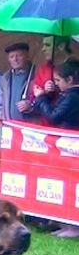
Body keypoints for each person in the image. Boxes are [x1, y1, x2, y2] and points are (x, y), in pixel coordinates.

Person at [33, 58, 79, 239]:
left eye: (59, 80)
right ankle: (66, 222)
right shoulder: (68, 95)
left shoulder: (72, 97)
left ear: (69, 79)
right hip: (67, 144)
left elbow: (54, 116)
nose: (57, 84)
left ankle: (73, 226)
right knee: (65, 183)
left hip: (70, 145)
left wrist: (41, 98)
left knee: (70, 184)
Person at [30, 36, 72, 125]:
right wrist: (44, 93)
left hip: (70, 129)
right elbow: (33, 98)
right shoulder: (43, 69)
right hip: (46, 127)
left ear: (61, 46)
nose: (43, 49)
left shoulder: (75, 67)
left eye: (47, 45)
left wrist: (57, 89)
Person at [0, 43, 35, 121]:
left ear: (27, 56)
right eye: (11, 57)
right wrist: (0, 120)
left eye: (19, 55)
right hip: (10, 127)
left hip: (30, 126)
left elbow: (45, 101)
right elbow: (1, 104)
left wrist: (31, 105)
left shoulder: (37, 73)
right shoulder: (5, 78)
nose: (15, 59)